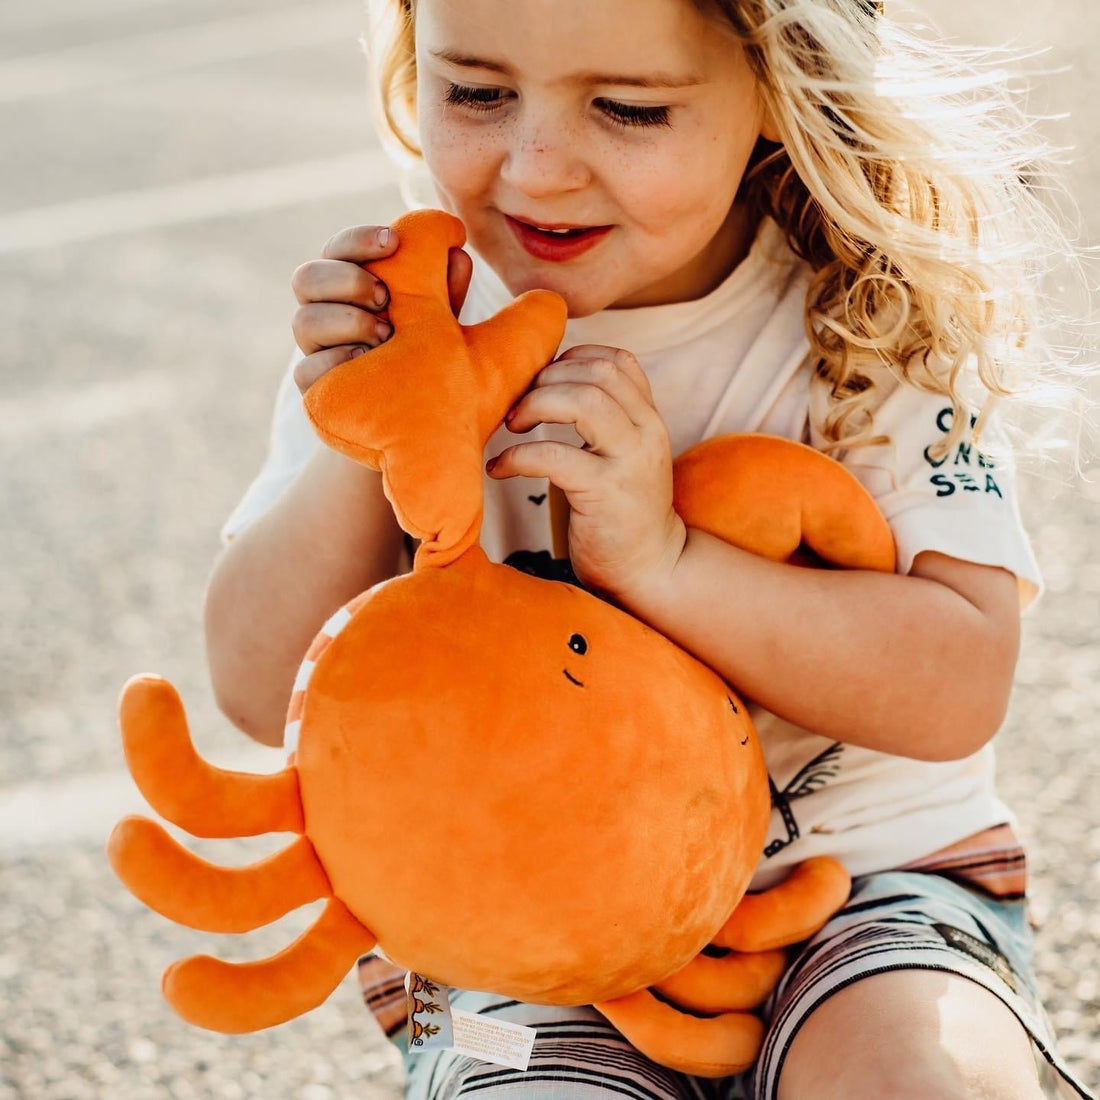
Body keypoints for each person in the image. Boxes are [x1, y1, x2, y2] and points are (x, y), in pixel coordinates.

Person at [203, 0, 1094, 1097]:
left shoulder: (868, 317)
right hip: (507, 948)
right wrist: (376, 431)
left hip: (869, 884)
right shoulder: (410, 325)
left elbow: (958, 682)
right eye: (475, 92)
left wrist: (663, 561)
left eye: (625, 108)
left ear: (781, 87)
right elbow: (255, 689)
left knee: (910, 1074)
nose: (533, 169)